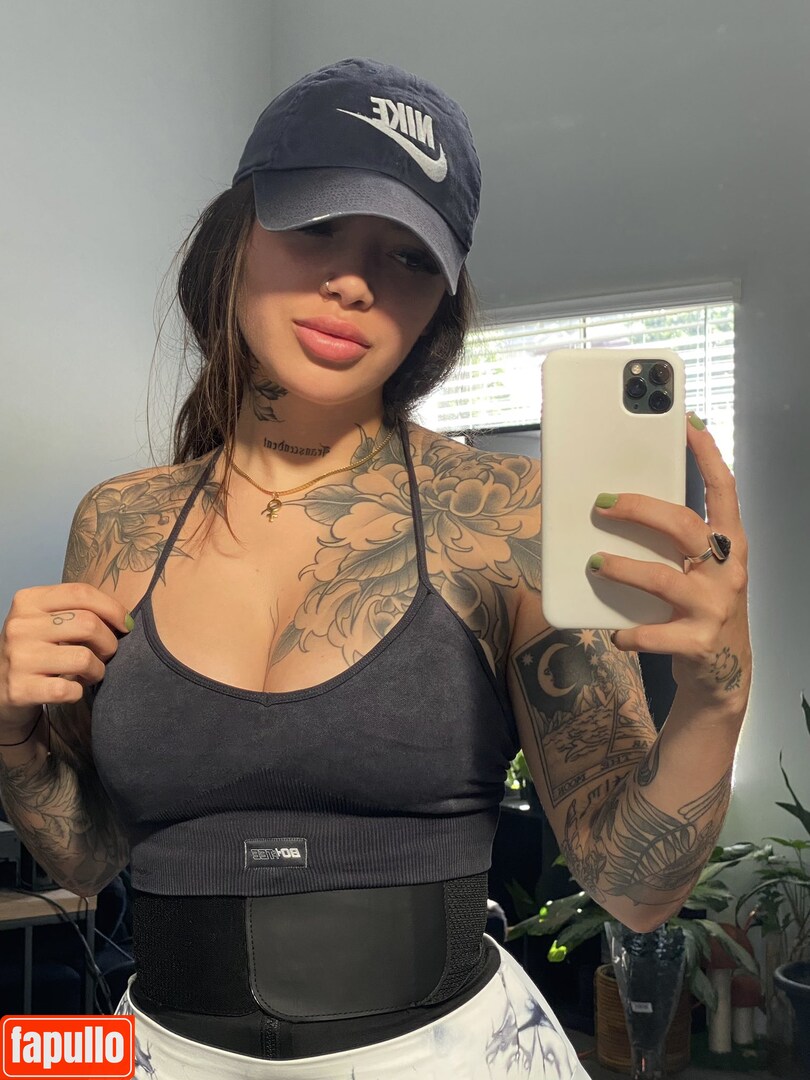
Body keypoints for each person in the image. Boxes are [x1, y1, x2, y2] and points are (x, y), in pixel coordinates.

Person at [0, 57, 752, 1079]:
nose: (355, 282)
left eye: (406, 257)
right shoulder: (119, 523)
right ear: (235, 234)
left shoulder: (505, 521)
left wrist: (715, 696)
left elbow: (635, 886)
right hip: (162, 1052)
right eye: (317, 226)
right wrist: (14, 736)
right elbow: (88, 855)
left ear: (437, 305)